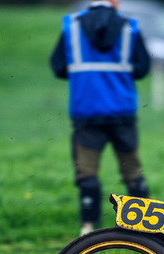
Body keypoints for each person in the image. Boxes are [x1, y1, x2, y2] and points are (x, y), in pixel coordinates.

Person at [50, 0, 151, 236]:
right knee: (132, 170)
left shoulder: (71, 26)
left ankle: (87, 227)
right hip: (122, 113)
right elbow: (143, 68)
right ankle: (145, 226)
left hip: (86, 112)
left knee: (87, 171)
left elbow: (58, 67)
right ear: (114, 2)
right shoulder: (130, 27)